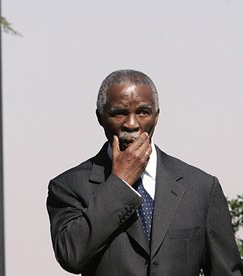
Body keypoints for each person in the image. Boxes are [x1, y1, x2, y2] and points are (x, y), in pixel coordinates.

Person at [47, 69, 243, 275]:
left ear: (156, 116)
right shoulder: (69, 186)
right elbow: (71, 257)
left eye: (143, 112)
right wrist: (119, 184)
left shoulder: (201, 187)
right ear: (100, 117)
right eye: (119, 112)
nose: (131, 124)